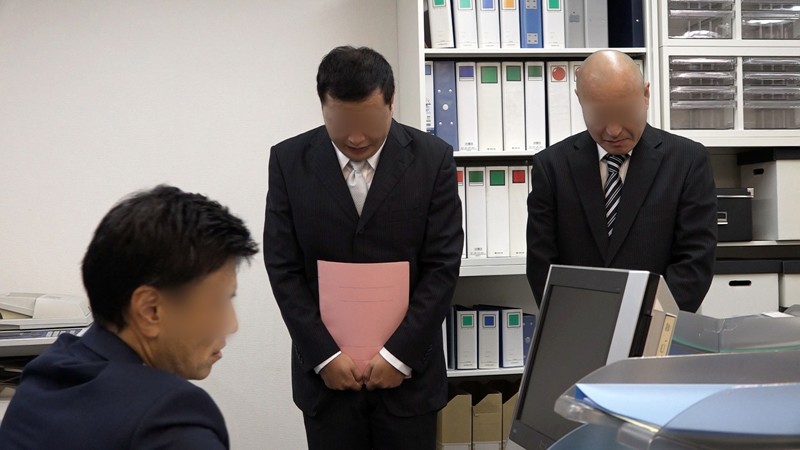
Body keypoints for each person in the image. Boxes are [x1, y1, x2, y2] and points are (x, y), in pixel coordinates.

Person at [264, 46, 463, 450]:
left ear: (391, 103)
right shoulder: (289, 161)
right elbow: (283, 267)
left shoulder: (432, 159)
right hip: (327, 380)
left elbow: (442, 265)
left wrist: (398, 356)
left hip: (409, 378)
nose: (356, 137)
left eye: (369, 121)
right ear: (323, 106)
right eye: (341, 121)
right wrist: (324, 356)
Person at [0, 185, 258, 449]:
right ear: (150, 310)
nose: (232, 324)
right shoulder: (168, 417)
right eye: (219, 302)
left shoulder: (43, 377)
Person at [526, 50, 717, 312]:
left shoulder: (687, 161)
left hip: (657, 323)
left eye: (624, 112)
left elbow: (694, 261)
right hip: (577, 322)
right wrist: (574, 323)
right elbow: (542, 265)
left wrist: (645, 322)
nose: (613, 131)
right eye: (599, 115)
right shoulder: (552, 166)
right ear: (580, 101)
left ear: (645, 96)